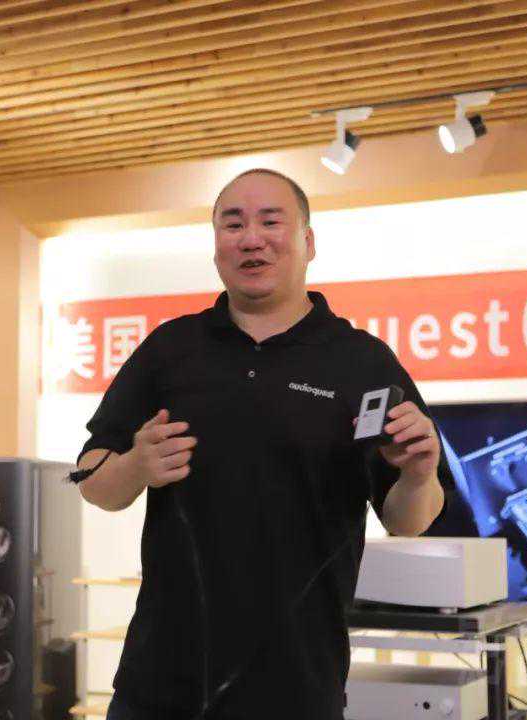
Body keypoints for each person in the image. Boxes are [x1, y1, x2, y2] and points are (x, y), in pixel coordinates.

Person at [72, 169, 445, 720]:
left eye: (271, 222)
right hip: (161, 683)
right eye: (233, 224)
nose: (251, 239)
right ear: (216, 247)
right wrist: (135, 467)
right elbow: (92, 478)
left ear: (308, 242)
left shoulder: (360, 362)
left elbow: (408, 520)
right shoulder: (170, 349)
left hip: (299, 684)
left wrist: (419, 475)